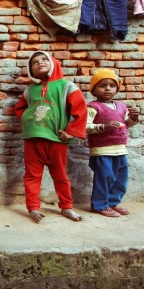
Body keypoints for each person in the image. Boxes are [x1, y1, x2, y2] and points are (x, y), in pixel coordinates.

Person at [14, 51, 88, 223]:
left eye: (44, 59)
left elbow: (81, 110)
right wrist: (28, 121)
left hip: (56, 140)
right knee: (32, 176)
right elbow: (19, 109)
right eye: (35, 62)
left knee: (60, 175)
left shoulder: (66, 86)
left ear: (53, 62)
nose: (40, 63)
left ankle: (66, 207)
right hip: (32, 140)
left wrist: (71, 131)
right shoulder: (30, 90)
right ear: (30, 69)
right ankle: (33, 208)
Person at [86, 69, 140, 217]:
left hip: (120, 150)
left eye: (111, 85)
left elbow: (126, 124)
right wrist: (104, 126)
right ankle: (99, 205)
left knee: (120, 179)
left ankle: (113, 202)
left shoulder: (121, 106)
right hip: (102, 151)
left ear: (117, 89)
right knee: (105, 177)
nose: (108, 88)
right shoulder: (92, 107)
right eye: (102, 85)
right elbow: (85, 126)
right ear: (94, 90)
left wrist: (133, 118)